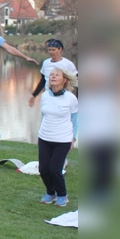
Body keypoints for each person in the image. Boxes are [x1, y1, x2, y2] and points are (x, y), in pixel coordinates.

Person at [37, 68, 78, 208]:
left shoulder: (71, 98)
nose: (53, 76)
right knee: (43, 169)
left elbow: (75, 119)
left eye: (57, 75)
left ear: (64, 79)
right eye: (51, 75)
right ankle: (50, 192)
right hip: (44, 137)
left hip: (63, 139)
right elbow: (44, 116)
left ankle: (62, 195)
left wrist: (74, 138)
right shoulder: (44, 96)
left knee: (55, 169)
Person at [29, 38, 78, 107]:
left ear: (60, 49)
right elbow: (43, 81)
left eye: (53, 50)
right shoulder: (46, 63)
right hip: (48, 97)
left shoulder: (68, 64)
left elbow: (77, 82)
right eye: (49, 50)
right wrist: (34, 95)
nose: (51, 52)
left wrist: (77, 99)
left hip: (63, 98)